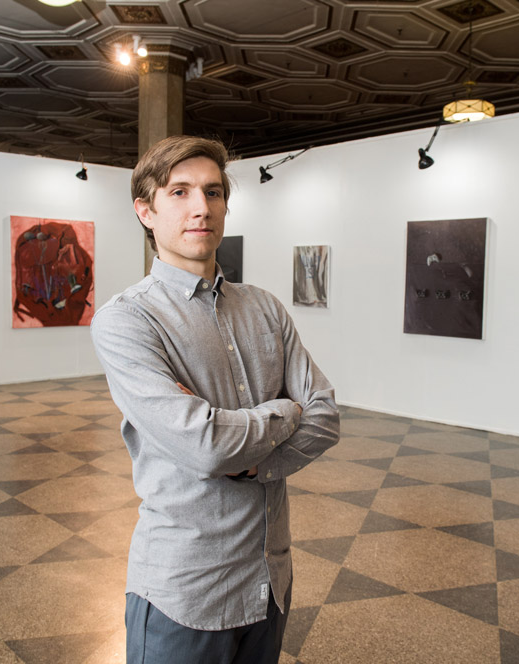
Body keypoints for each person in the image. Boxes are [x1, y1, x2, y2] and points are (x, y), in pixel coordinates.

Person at [91, 135, 340, 664]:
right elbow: (205, 444)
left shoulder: (265, 308)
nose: (201, 208)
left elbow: (325, 417)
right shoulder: (127, 320)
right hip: (187, 592)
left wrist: (253, 460)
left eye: (212, 192)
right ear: (145, 211)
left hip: (269, 581)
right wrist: (285, 411)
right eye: (179, 192)